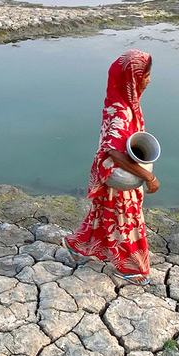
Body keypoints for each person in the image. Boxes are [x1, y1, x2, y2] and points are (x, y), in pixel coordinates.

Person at [62, 49, 160, 285]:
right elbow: (114, 153)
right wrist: (148, 177)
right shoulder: (121, 112)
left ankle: (77, 245)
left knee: (102, 216)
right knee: (126, 222)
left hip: (117, 176)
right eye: (145, 75)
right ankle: (131, 268)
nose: (149, 80)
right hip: (118, 179)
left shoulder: (124, 102)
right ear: (132, 78)